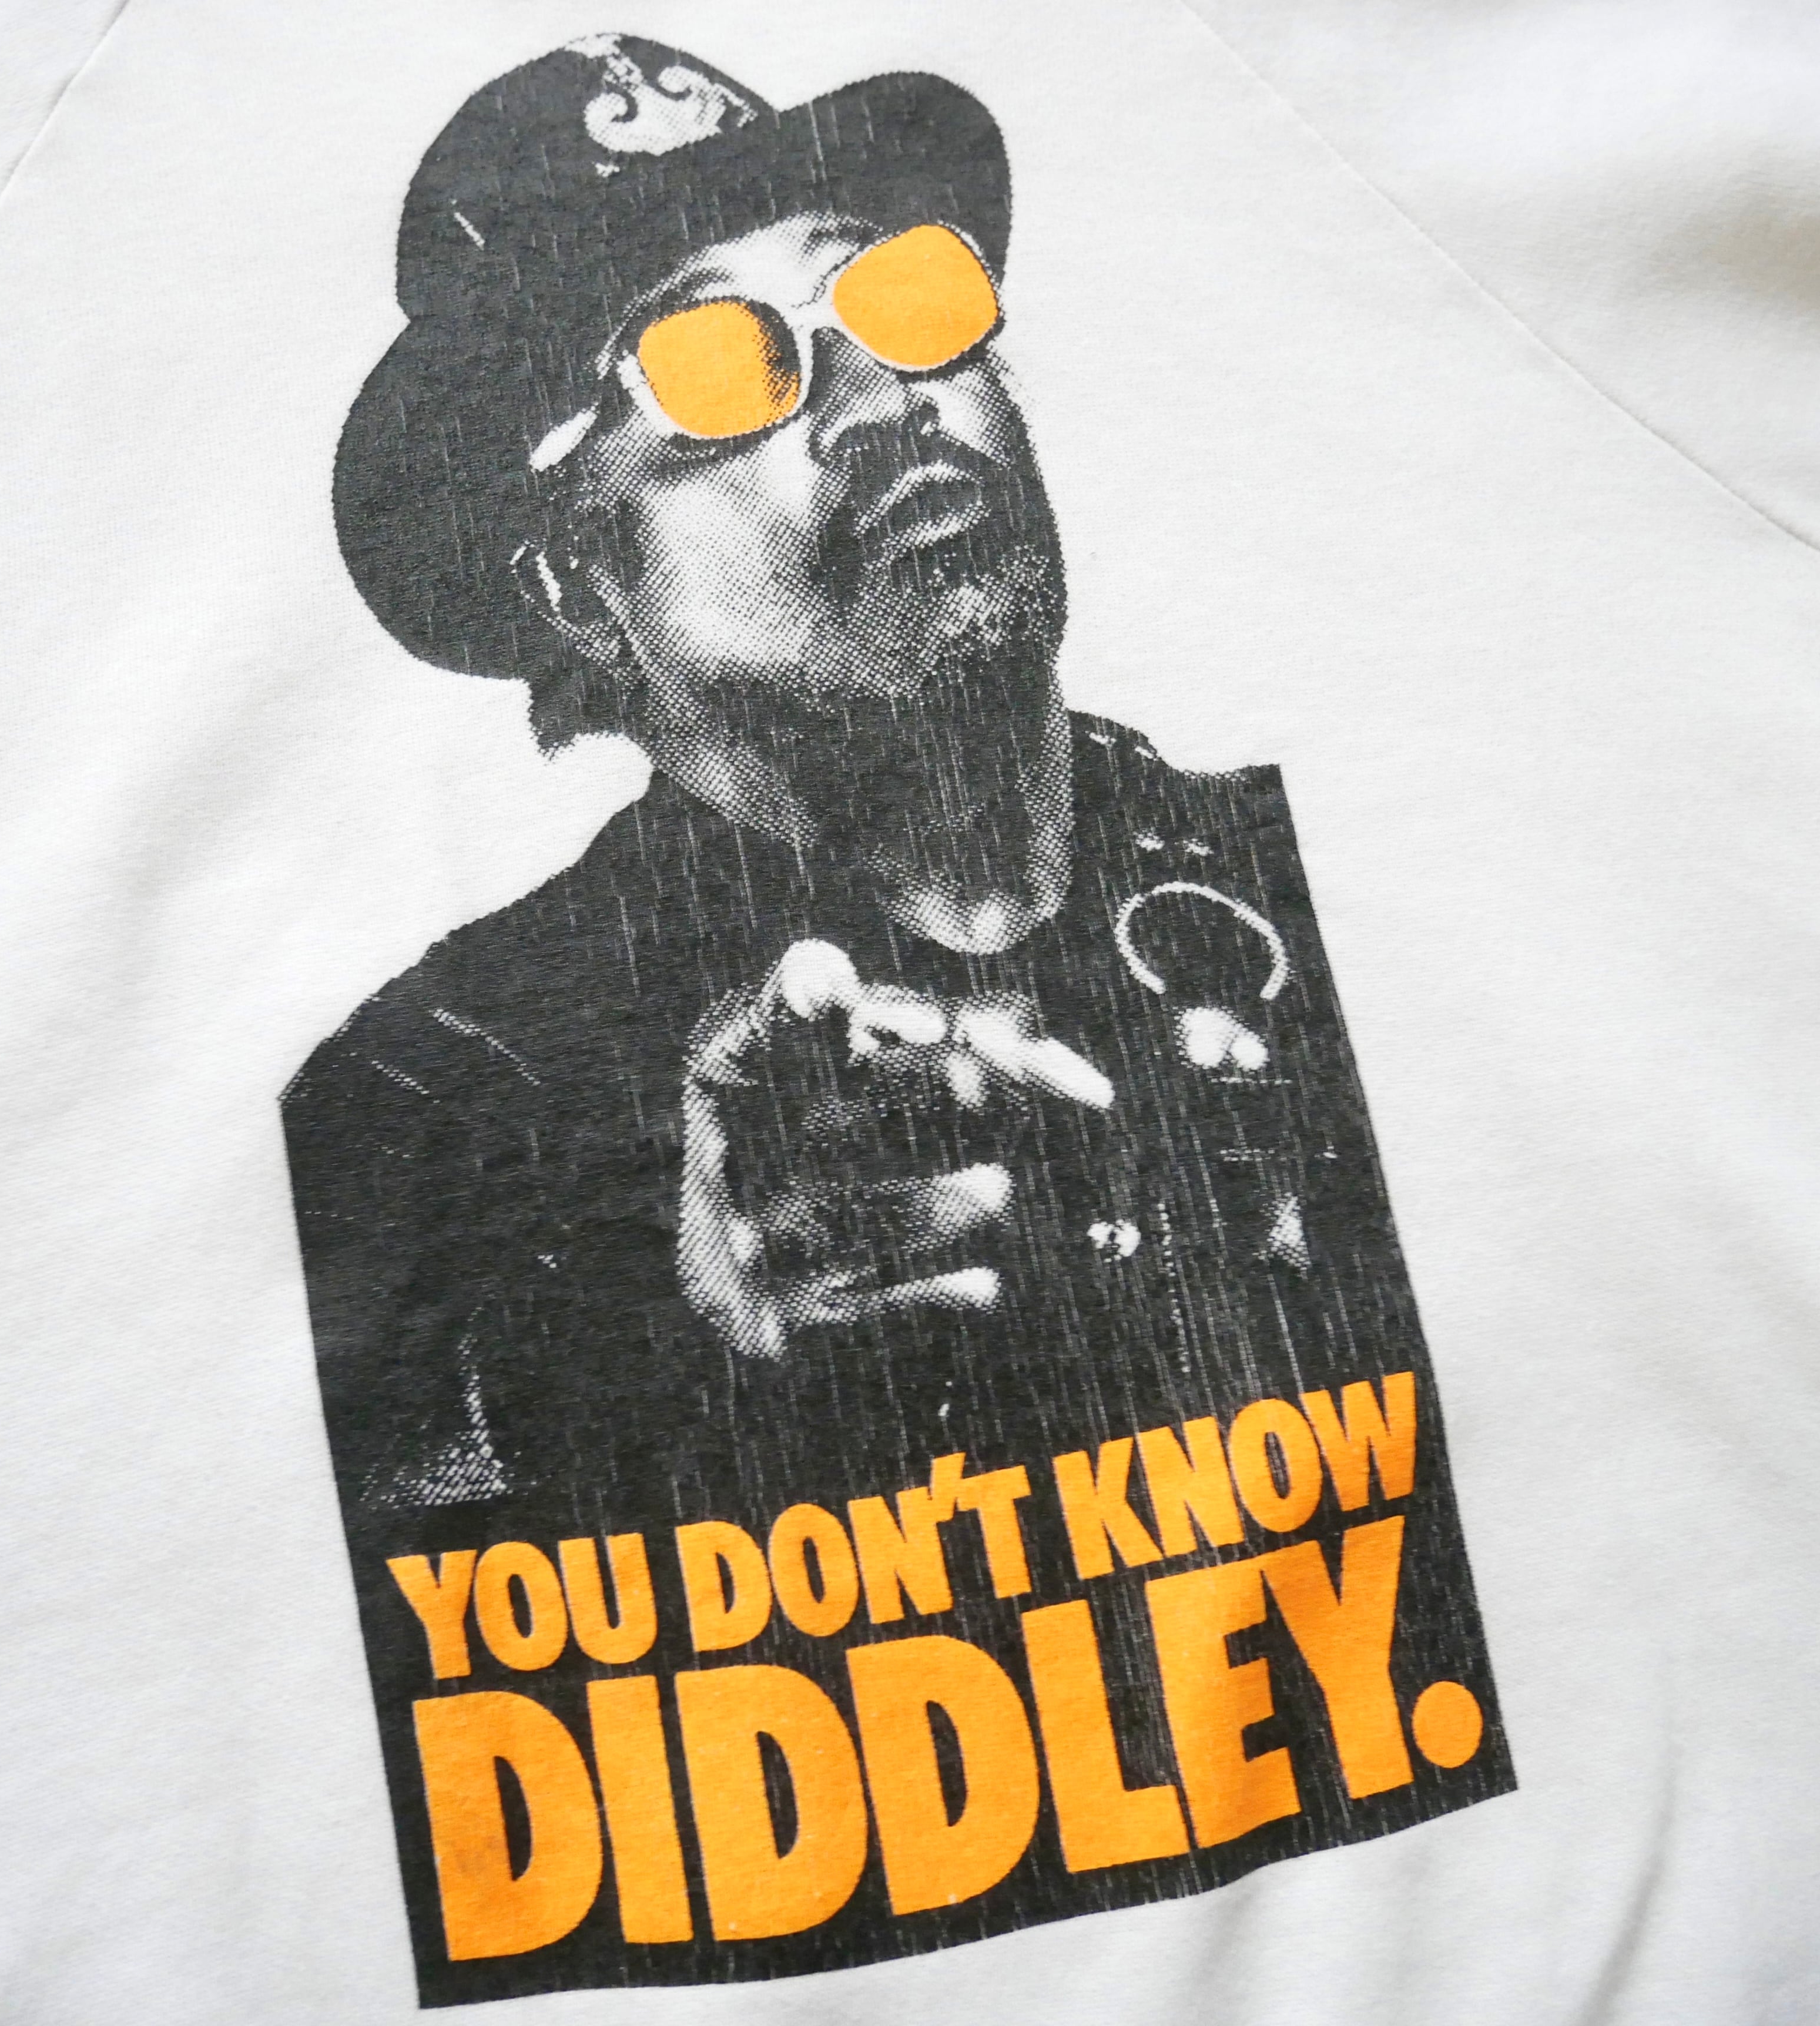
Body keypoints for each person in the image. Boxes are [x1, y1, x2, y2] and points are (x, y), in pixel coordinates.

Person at [283, 34, 1427, 1541]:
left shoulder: (1321, 877)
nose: (879, 395)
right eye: (717, 365)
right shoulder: (424, 1102)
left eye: (901, 298)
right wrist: (658, 1348)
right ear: (572, 587)